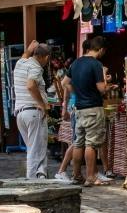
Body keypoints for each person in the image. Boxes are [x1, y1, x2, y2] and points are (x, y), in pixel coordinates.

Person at [59, 33, 118, 186]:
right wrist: (108, 86)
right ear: (101, 50)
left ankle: (77, 175)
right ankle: (91, 176)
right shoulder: (96, 64)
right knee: (91, 144)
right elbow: (101, 88)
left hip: (79, 108)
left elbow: (64, 82)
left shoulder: (76, 63)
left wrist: (77, 92)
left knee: (78, 143)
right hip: (93, 107)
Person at [11, 42, 54, 179]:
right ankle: (32, 181)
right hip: (33, 112)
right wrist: (41, 103)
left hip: (21, 114)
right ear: (46, 57)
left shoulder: (21, 63)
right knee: (35, 151)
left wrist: (28, 50)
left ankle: (41, 176)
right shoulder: (35, 67)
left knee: (34, 148)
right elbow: (31, 85)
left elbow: (24, 56)